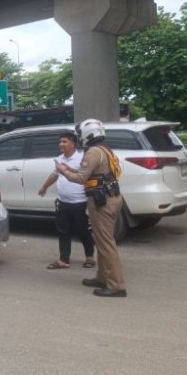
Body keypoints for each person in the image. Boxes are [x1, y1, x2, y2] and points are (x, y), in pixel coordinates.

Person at [55, 119, 127, 298]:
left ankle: (117, 285)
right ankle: (102, 277)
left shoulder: (93, 152)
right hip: (111, 197)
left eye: (80, 135)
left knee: (106, 243)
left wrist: (63, 170)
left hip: (101, 201)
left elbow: (80, 178)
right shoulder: (105, 149)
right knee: (103, 241)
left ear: (88, 134)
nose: (80, 138)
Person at [38, 131, 95, 270]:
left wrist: (67, 170)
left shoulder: (82, 158)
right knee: (63, 231)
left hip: (79, 202)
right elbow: (55, 174)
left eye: (64, 141)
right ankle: (64, 259)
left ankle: (90, 257)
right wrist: (44, 186)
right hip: (63, 201)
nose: (61, 144)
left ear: (73, 143)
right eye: (60, 142)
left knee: (83, 230)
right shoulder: (60, 158)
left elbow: (85, 176)